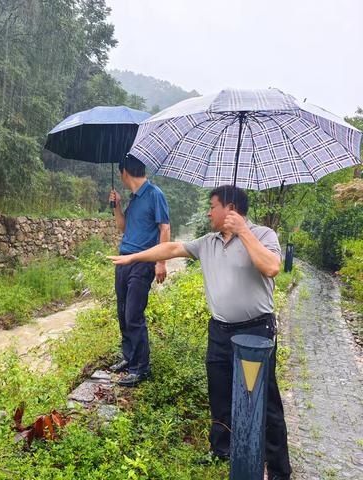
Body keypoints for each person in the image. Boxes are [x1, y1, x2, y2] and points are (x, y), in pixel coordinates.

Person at [108, 185, 291, 480]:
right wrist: (133, 257)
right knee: (219, 394)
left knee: (264, 400)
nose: (208, 212)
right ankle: (222, 450)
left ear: (229, 209)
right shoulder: (209, 241)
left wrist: (243, 231)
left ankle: (279, 469)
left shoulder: (263, 235)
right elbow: (172, 248)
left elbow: (271, 267)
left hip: (256, 331)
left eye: (212, 206)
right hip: (219, 330)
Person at [108, 154, 170, 387]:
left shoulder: (155, 194)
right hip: (124, 259)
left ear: (124, 172)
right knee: (123, 311)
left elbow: (164, 228)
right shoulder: (134, 198)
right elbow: (123, 227)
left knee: (134, 313)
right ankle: (129, 358)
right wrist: (117, 206)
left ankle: (141, 369)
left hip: (144, 262)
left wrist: (161, 262)